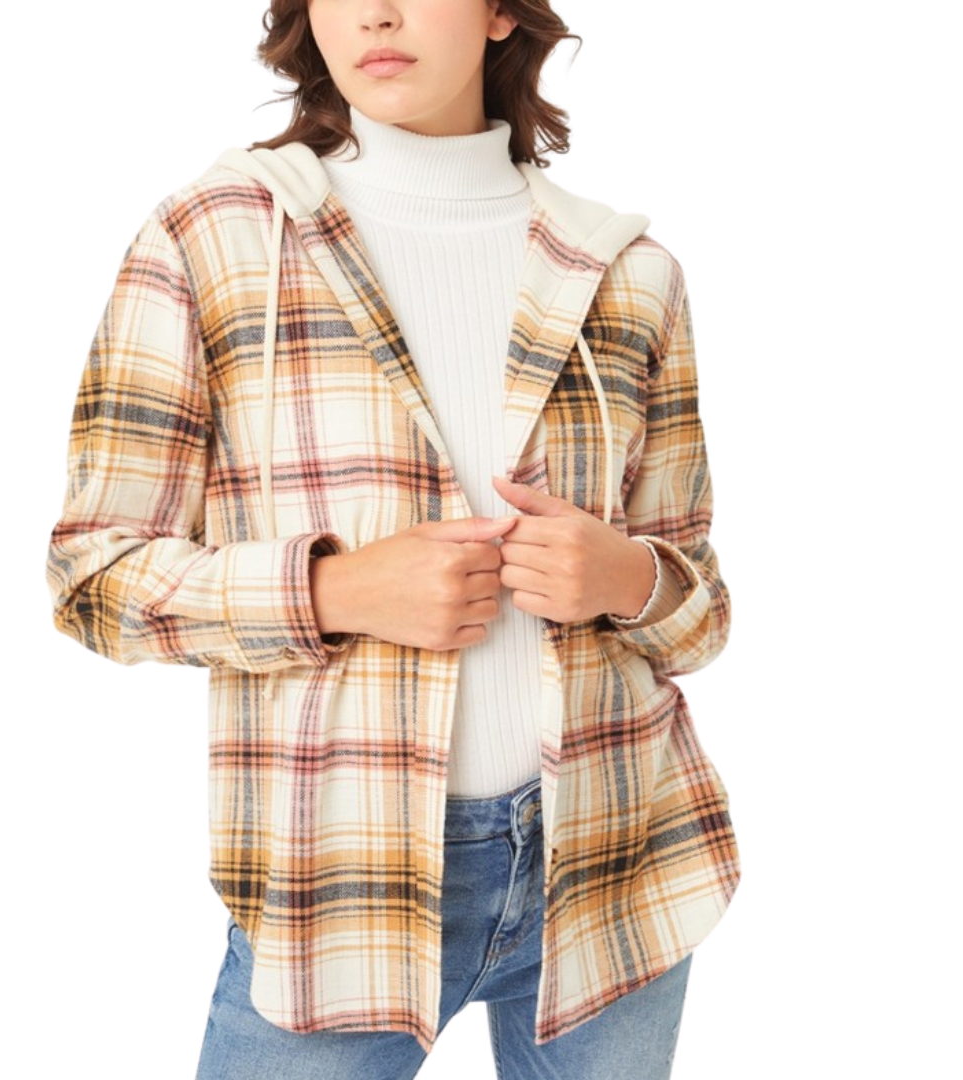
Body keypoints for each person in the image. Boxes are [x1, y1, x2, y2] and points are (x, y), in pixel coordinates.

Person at [45, 1, 740, 1076]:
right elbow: (91, 576)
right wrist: (334, 592)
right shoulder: (213, 238)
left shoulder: (628, 270)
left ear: (500, 12)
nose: (376, 10)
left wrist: (628, 577)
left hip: (618, 866)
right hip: (340, 884)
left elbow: (701, 617)